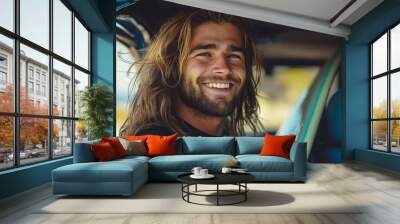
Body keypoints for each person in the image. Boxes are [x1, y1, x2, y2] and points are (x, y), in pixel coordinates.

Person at [120, 10, 263, 136]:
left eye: (234, 56)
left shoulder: (227, 141)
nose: (224, 68)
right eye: (205, 54)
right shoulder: (156, 147)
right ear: (172, 68)